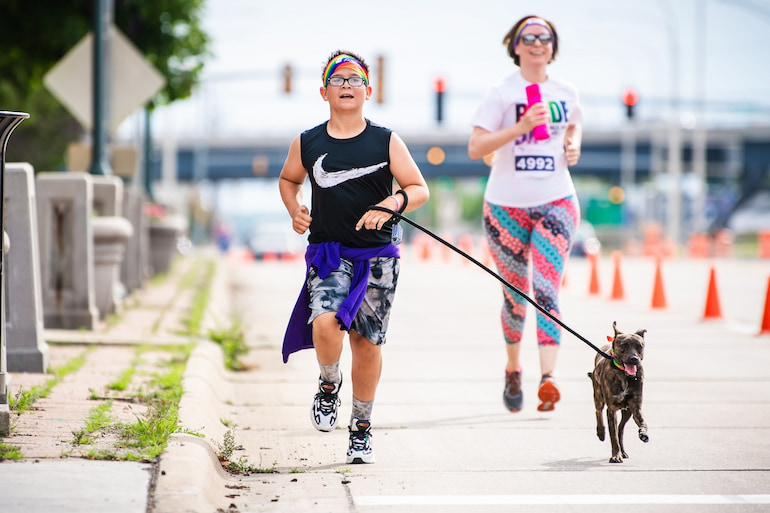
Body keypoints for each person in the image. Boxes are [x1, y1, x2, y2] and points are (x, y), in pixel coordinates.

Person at [279, 50, 429, 464]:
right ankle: (329, 384)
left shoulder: (385, 140)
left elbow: (418, 188)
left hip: (379, 257)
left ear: (368, 89)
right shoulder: (308, 142)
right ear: (324, 91)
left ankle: (361, 429)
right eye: (338, 79)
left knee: (366, 343)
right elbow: (289, 179)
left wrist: (392, 202)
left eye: (354, 79)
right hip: (329, 254)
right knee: (325, 325)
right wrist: (295, 210)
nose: (347, 85)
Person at [467, 15, 582, 413]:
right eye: (528, 37)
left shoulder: (566, 92)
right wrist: (519, 128)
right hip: (505, 208)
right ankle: (514, 369)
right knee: (516, 297)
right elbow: (476, 147)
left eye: (544, 37)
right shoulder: (500, 93)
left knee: (547, 291)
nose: (537, 43)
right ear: (515, 45)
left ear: (553, 46)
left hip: (556, 201)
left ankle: (548, 379)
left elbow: (574, 126)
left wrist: (573, 145)